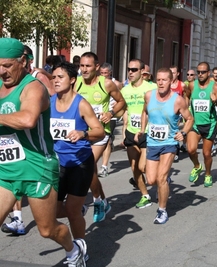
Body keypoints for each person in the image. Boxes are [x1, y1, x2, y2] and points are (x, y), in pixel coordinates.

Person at [0, 37, 86, 266]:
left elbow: (27, 119)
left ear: (22, 62)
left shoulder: (33, 87)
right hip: (6, 169)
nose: (2, 71)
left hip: (37, 167)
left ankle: (74, 249)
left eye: (7, 65)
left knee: (47, 230)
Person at [51, 62, 105, 262]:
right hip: (57, 165)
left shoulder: (81, 103)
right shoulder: (48, 102)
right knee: (55, 211)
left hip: (80, 163)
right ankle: (78, 212)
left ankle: (80, 248)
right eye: (53, 77)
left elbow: (99, 131)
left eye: (60, 77)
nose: (55, 80)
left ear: (72, 80)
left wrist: (83, 133)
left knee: (72, 210)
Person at [136, 68, 194, 224]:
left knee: (160, 178)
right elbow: (144, 112)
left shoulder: (178, 100)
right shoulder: (149, 96)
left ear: (171, 81)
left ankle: (162, 211)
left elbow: (189, 119)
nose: (161, 83)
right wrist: (142, 129)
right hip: (153, 142)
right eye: (159, 80)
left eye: (164, 80)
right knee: (151, 180)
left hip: (169, 143)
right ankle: (165, 182)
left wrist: (184, 132)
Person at [75, 52, 126, 223]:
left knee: (86, 167)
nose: (84, 69)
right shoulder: (77, 83)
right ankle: (104, 201)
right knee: (91, 172)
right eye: (82, 66)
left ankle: (95, 202)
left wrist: (111, 113)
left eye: (88, 66)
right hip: (82, 134)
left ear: (96, 67)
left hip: (100, 134)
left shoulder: (107, 84)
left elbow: (121, 102)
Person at [121, 59, 157, 208]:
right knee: (134, 168)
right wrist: (124, 133)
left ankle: (160, 176)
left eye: (134, 69)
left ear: (142, 71)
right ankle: (145, 195)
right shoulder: (124, 90)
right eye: (129, 69)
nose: (130, 72)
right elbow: (124, 111)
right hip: (131, 132)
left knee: (143, 168)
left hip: (147, 132)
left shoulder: (152, 87)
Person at [185, 62, 217, 187]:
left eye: (203, 72)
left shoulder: (215, 87)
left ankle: (208, 174)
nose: (200, 74)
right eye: (199, 72)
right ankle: (197, 166)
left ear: (209, 73)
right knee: (191, 149)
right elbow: (187, 97)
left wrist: (216, 101)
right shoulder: (192, 85)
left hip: (210, 124)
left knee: (206, 153)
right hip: (195, 123)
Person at [98, 62, 123, 177]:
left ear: (110, 73)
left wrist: (115, 112)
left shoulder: (116, 84)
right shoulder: (96, 82)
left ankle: (104, 167)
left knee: (106, 140)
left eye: (105, 73)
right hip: (98, 115)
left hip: (111, 116)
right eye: (101, 73)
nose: (103, 75)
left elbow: (122, 100)